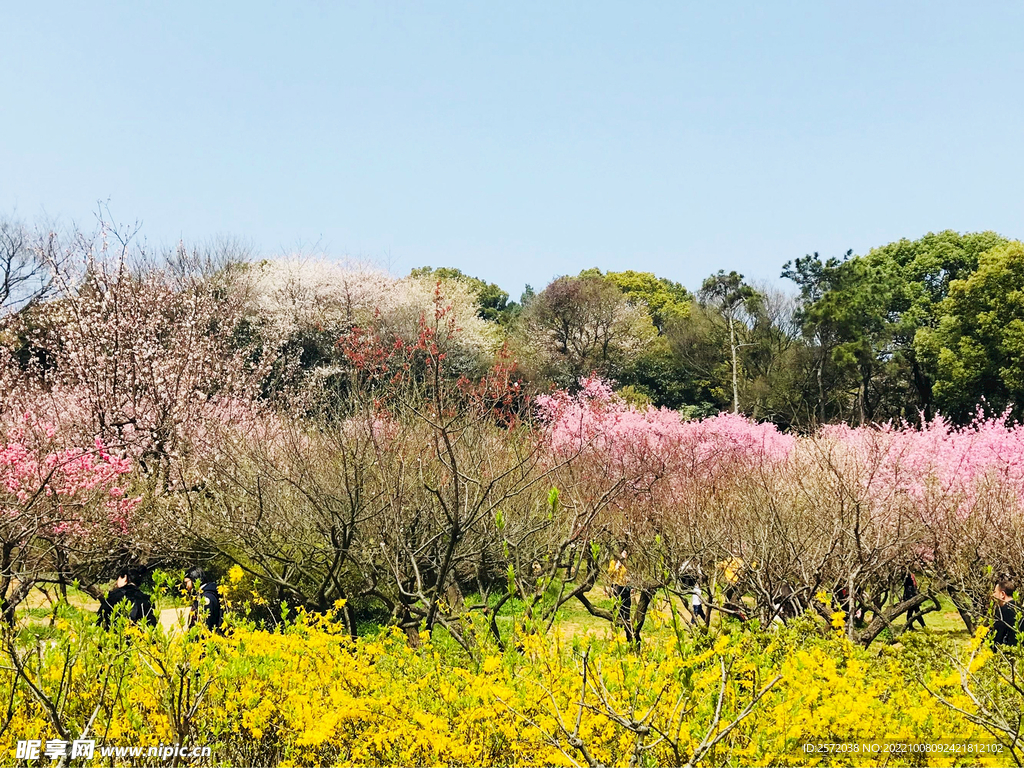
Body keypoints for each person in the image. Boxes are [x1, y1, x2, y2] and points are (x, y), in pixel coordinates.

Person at [185, 567, 223, 632]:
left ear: (194, 579)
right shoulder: (202, 595)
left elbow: (206, 625)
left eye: (186, 582)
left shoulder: (206, 598)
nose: (186, 586)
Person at [607, 549, 631, 634]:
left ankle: (627, 623)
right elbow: (610, 574)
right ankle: (616, 624)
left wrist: (629, 579)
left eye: (626, 553)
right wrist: (617, 567)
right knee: (617, 605)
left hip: (625, 585)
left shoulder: (626, 564)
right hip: (616, 585)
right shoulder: (613, 562)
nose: (625, 555)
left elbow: (627, 574)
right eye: (624, 553)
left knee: (627, 604)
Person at [992, 575, 1019, 647]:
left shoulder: (1002, 612)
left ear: (1002, 594)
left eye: (995, 592)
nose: (993, 595)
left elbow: (998, 637)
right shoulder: (1020, 609)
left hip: (1007, 652)